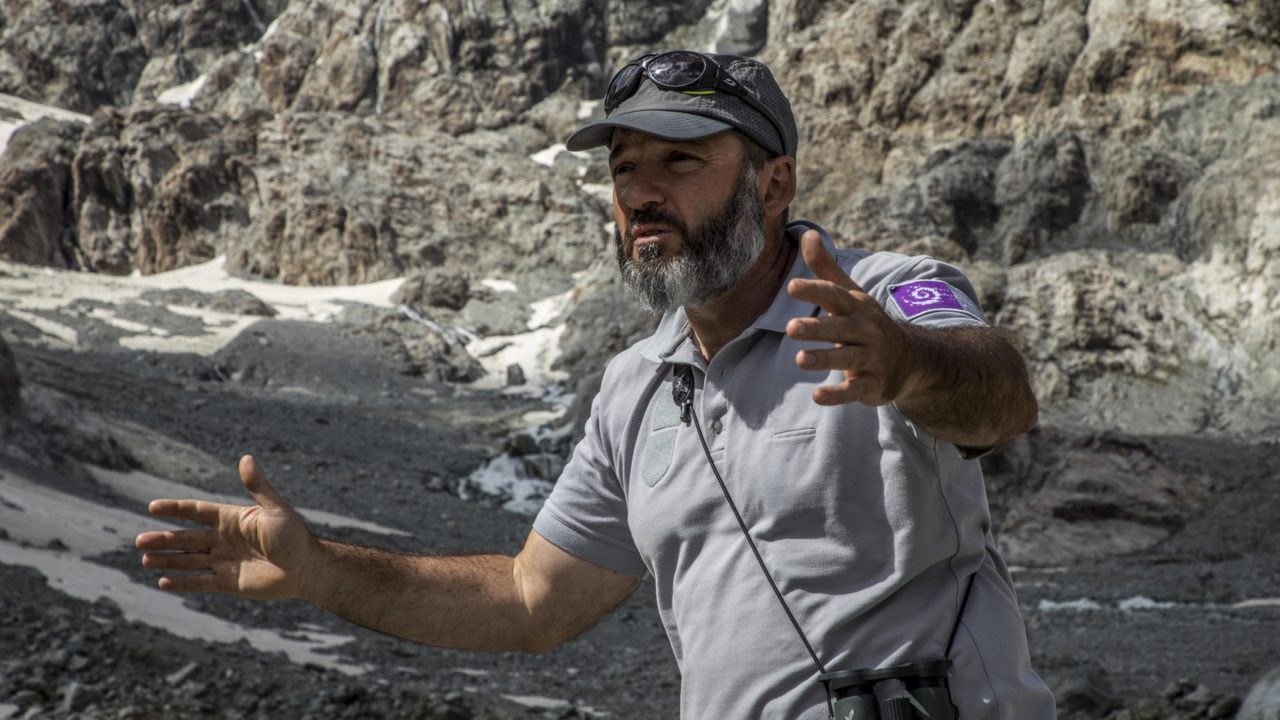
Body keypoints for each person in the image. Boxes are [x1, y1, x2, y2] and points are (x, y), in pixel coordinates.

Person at [137, 50, 1055, 718]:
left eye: (680, 162)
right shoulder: (633, 388)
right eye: (624, 169)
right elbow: (534, 601)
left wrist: (904, 361)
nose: (641, 194)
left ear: (775, 186)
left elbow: (1003, 399)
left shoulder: (880, 296)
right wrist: (320, 571)